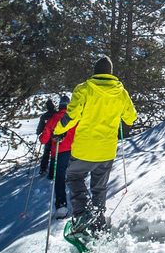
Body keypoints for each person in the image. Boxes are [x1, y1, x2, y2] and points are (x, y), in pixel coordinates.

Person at [52, 56, 137, 234]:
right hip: (106, 150)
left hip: (84, 148)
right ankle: (98, 223)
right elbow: (131, 117)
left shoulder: (84, 89)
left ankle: (82, 214)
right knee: (100, 187)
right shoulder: (120, 92)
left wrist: (59, 130)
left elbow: (71, 115)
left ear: (95, 72)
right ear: (110, 73)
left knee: (74, 177)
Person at [39, 95, 74, 218]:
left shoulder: (53, 119)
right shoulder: (74, 118)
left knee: (59, 179)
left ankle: (61, 205)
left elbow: (44, 140)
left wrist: (41, 137)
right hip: (74, 151)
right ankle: (79, 203)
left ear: (59, 106)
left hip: (59, 152)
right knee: (76, 177)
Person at [36, 98, 57, 176]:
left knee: (46, 153)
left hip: (46, 137)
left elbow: (40, 126)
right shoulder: (56, 114)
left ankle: (43, 168)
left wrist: (38, 132)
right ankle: (52, 171)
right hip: (55, 137)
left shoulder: (44, 116)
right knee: (54, 154)